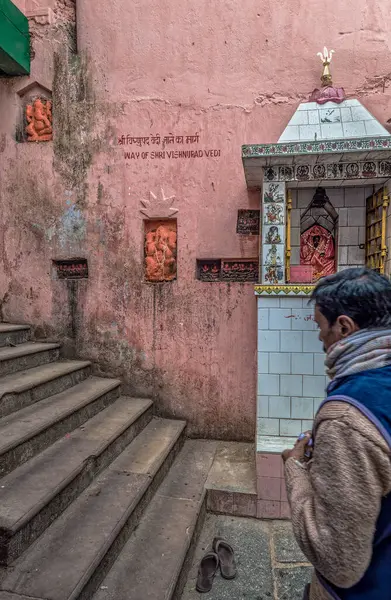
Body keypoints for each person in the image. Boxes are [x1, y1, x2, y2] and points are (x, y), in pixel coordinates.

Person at [282, 267, 391, 600]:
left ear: (344, 326)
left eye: (320, 327)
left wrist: (295, 469)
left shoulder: (345, 419)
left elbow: (339, 561)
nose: (319, 338)